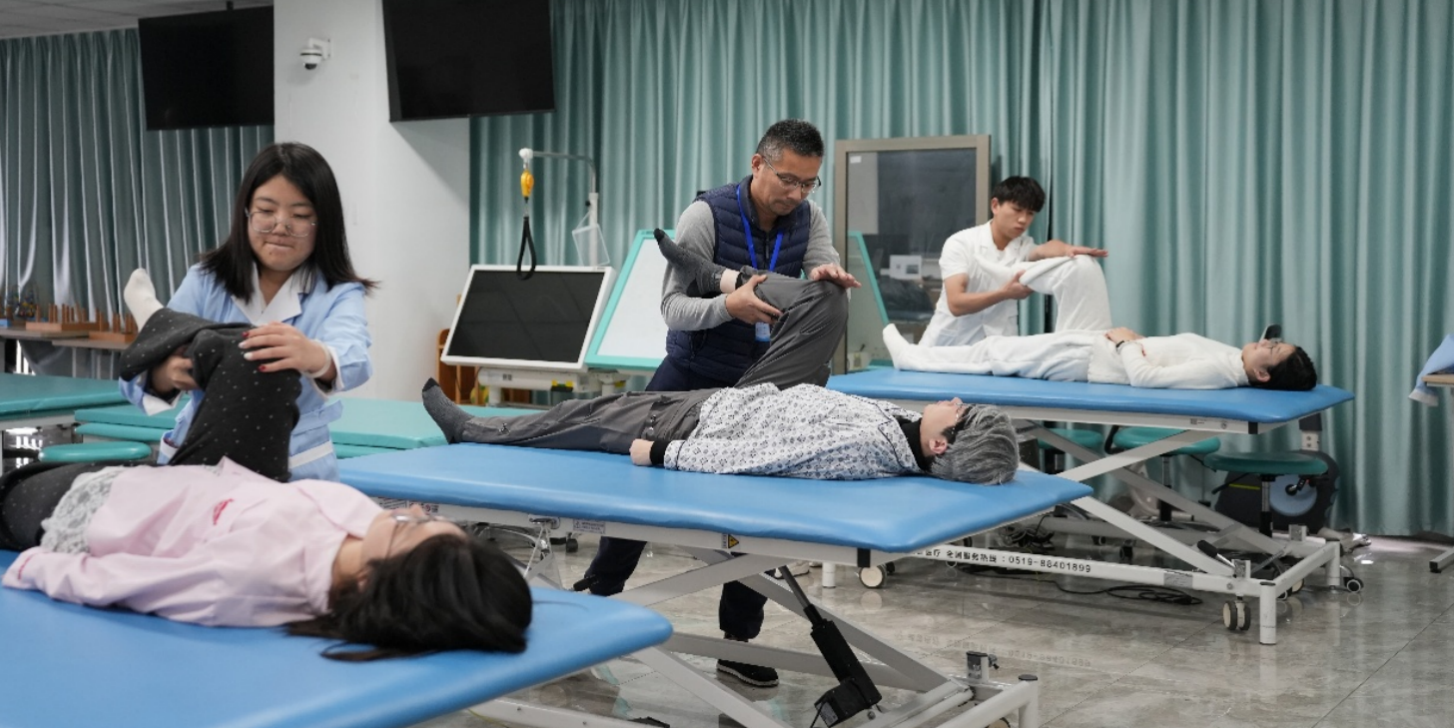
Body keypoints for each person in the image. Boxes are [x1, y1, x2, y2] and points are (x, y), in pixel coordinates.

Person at [0, 322, 533, 655]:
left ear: (370, 581)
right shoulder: (360, 525)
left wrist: (41, 567)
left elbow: (132, 582)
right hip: (192, 485)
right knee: (257, 353)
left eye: (416, 525)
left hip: (85, 512)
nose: (413, 509)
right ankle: (166, 338)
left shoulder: (247, 580)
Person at [579, 120, 860, 689]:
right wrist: (728, 307)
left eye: (809, 183)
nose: (797, 194)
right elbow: (673, 309)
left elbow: (819, 266)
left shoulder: (809, 218)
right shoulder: (704, 217)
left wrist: (824, 277)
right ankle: (591, 611)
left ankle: (737, 643)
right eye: (787, 180)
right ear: (757, 164)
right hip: (691, 373)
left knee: (756, 518)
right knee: (637, 500)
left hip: (761, 390)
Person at [422, 234, 1019, 485]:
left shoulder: (862, 448)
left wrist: (663, 453)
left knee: (582, 416)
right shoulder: (905, 432)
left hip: (704, 421)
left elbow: (759, 458)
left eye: (962, 413)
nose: (955, 400)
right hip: (769, 396)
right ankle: (715, 275)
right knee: (828, 299)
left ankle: (473, 430)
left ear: (941, 446)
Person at [120, 142, 375, 482]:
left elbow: (355, 358)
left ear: (323, 223)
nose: (281, 226)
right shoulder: (205, 280)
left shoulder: (338, 293)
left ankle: (159, 321)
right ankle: (161, 323)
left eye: (300, 216)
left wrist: (314, 355)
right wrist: (166, 375)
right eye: (266, 211)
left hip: (295, 464)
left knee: (243, 357)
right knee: (199, 346)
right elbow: (134, 375)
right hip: (202, 453)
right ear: (246, 213)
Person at [920, 176, 1108, 348]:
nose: (1023, 219)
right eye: (1017, 210)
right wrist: (1003, 294)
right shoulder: (961, 243)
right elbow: (956, 303)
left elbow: (1044, 249)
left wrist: (1068, 250)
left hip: (997, 346)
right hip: (948, 345)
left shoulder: (1023, 246)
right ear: (995, 205)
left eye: (1030, 213)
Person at [884, 322, 1319, 391]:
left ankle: (913, 360)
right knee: (993, 351)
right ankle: (918, 355)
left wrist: (1127, 343)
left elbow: (1147, 379)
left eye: (1273, 350)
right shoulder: (1234, 360)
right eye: (1273, 341)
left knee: (994, 355)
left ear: (1263, 375)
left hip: (1091, 360)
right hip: (1095, 348)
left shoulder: (1218, 370)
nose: (1266, 343)